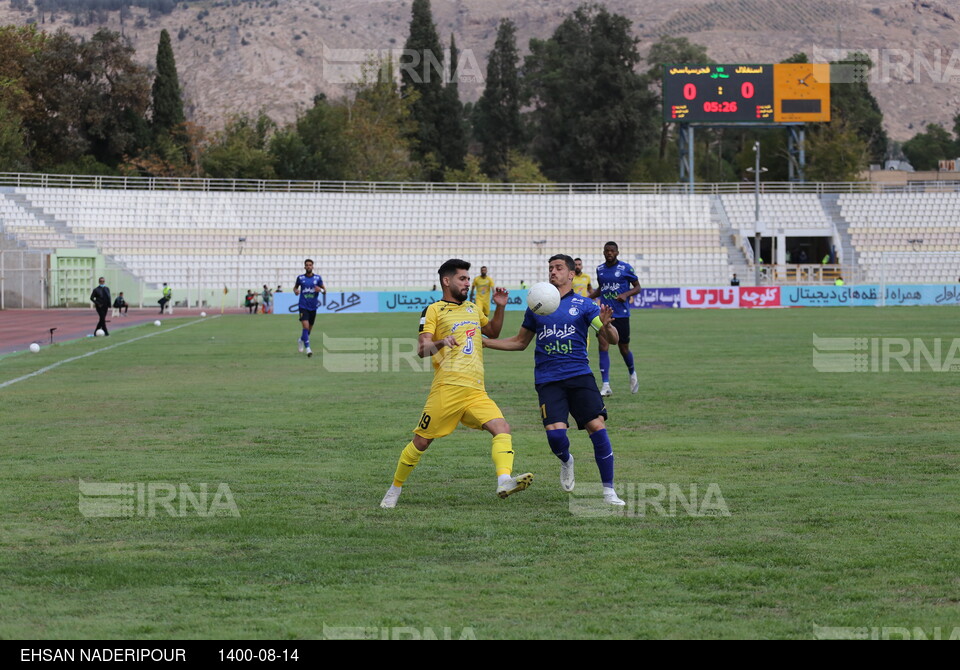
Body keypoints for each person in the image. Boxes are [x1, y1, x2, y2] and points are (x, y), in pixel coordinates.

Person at [379, 259, 533, 509]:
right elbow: (422, 349)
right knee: (421, 442)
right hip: (447, 388)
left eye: (467, 278)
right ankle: (395, 488)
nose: (467, 282)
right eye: (462, 278)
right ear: (446, 280)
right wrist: (441, 342)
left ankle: (504, 480)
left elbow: (492, 332)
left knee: (502, 427)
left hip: (475, 390)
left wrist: (500, 307)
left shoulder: (473, 308)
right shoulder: (434, 310)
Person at [483, 255, 625, 506]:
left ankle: (609, 491)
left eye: (558, 268)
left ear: (571, 274)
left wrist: (606, 325)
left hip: (579, 375)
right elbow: (519, 342)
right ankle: (566, 460)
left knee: (597, 426)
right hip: (548, 379)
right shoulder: (537, 305)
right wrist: (486, 342)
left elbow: (612, 338)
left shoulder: (584, 305)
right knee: (556, 436)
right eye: (550, 268)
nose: (553, 272)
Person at [588, 241, 641, 396]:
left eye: (612, 251)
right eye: (606, 251)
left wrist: (625, 294)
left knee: (623, 348)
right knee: (603, 346)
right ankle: (606, 385)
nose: (609, 253)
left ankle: (632, 374)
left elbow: (638, 287)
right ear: (603, 252)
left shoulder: (625, 268)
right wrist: (587, 298)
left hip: (622, 314)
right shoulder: (600, 269)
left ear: (617, 252)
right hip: (605, 315)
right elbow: (601, 290)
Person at [294, 258, 325, 357]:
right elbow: (295, 287)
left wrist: (320, 290)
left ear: (312, 266)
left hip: (313, 307)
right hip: (303, 306)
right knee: (305, 327)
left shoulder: (318, 278)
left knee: (308, 331)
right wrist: (295, 291)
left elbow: (325, 290)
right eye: (307, 265)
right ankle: (308, 349)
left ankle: (301, 340)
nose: (308, 266)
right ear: (304, 267)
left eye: (310, 265)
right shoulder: (300, 278)